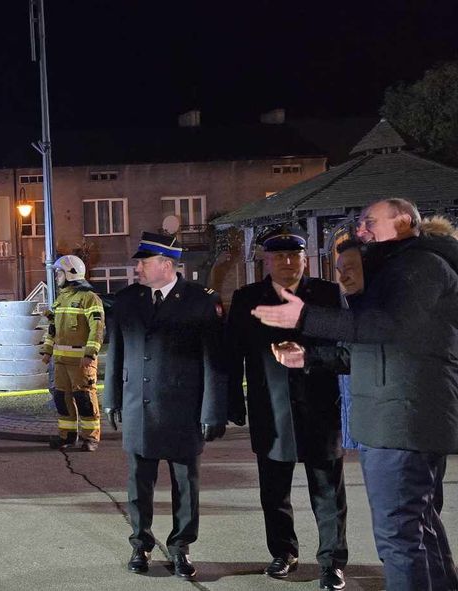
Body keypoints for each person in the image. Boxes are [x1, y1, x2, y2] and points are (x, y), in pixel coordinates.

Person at [252, 199, 458, 591]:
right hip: (400, 416)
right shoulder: (405, 265)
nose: (361, 229)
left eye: (369, 222)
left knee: (399, 534)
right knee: (419, 527)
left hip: (404, 419)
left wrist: (306, 318)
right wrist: (309, 356)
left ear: (402, 222)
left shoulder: (419, 265)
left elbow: (386, 325)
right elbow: (368, 344)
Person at [225, 228, 347, 590]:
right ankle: (283, 553)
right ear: (266, 260)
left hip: (321, 412)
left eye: (295, 256)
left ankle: (332, 562)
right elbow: (232, 356)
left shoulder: (327, 295)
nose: (288, 263)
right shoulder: (248, 299)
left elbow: (346, 352)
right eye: (279, 257)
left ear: (305, 258)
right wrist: (233, 402)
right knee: (274, 493)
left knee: (328, 495)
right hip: (271, 411)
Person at [103, 231, 228, 580]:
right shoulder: (127, 300)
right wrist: (111, 398)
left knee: (186, 485)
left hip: (183, 409)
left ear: (166, 264)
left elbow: (213, 360)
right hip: (138, 406)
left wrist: (212, 410)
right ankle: (140, 544)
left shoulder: (200, 300)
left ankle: (180, 548)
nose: (137, 268)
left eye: (143, 262)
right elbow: (117, 352)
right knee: (138, 482)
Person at [39, 255, 106, 451]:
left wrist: (90, 353)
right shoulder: (60, 299)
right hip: (60, 361)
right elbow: (53, 328)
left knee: (84, 399)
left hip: (81, 362)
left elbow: (97, 328)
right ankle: (67, 436)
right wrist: (47, 351)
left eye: (59, 272)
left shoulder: (89, 298)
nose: (57, 276)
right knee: (62, 399)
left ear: (71, 273)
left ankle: (90, 439)